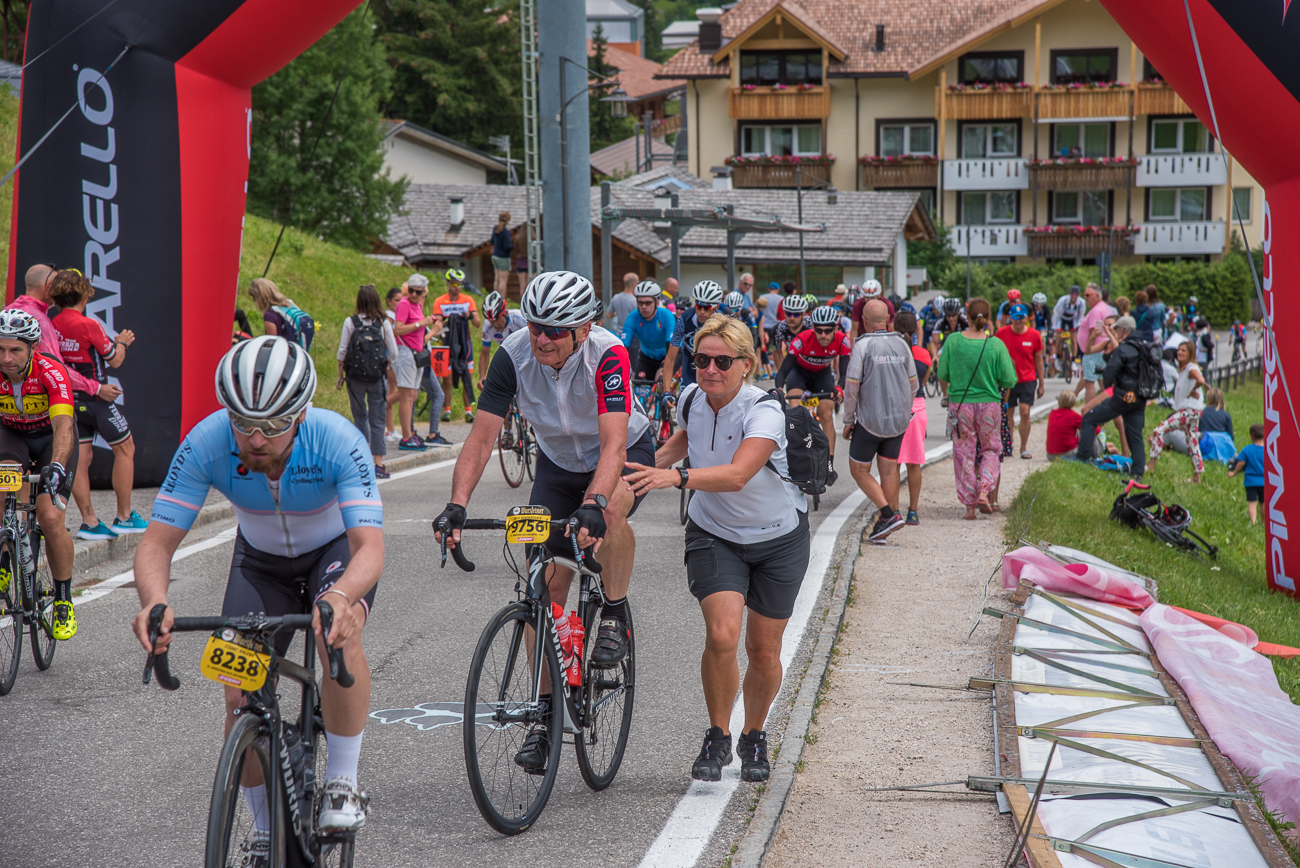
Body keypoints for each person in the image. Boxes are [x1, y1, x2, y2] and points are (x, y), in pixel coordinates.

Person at [132, 336, 382, 844]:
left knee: (338, 635)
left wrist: (342, 596)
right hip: (260, 564)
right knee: (238, 693)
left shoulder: (338, 439)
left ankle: (343, 782)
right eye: (243, 424)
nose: (256, 439)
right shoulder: (205, 441)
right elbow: (156, 544)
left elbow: (369, 548)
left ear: (302, 412)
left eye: (272, 426)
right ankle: (265, 831)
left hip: (333, 555)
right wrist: (154, 600)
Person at [434, 271, 652, 774]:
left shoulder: (608, 352)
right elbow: (482, 437)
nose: (543, 338)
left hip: (618, 451)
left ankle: (613, 611)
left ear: (585, 328)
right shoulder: (513, 354)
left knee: (611, 513)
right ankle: (546, 715)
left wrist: (596, 501)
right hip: (556, 463)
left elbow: (615, 444)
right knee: (544, 589)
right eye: (536, 326)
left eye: (556, 329)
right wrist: (457, 504)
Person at [623, 315, 809, 784]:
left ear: (745, 364)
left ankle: (754, 734)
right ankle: (718, 734)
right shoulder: (691, 398)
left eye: (722, 361)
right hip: (714, 533)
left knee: (763, 649)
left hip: (778, 537)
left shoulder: (763, 410)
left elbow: (739, 473)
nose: (709, 369)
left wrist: (677, 477)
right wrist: (636, 473)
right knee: (723, 635)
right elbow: (683, 440)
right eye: (701, 359)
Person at [0, 309, 79, 639]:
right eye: (0, 349)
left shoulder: (51, 371)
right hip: (12, 437)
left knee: (49, 516)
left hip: (51, 440)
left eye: (15, 350)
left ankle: (63, 600)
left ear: (33, 348)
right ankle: (5, 559)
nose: (6, 358)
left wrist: (58, 466)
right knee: (3, 491)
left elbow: (63, 425)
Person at [50, 269, 146, 538]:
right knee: (125, 449)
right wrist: (122, 342)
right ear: (84, 295)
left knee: (81, 460)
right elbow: (114, 359)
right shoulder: (88, 324)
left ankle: (90, 522)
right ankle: (124, 517)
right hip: (97, 399)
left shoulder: (52, 324)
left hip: (69, 400)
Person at [935, 297, 1017, 519]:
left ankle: (969, 507)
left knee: (964, 451)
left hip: (960, 405)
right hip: (989, 404)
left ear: (966, 317)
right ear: (989, 318)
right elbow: (1009, 379)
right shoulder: (996, 344)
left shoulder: (952, 341)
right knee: (991, 449)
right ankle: (984, 490)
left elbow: (942, 374)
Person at [843, 300, 917, 544]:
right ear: (888, 319)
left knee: (859, 470)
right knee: (889, 469)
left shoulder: (862, 345)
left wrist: (848, 419)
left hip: (870, 421)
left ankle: (888, 514)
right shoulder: (903, 345)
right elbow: (914, 385)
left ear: (863, 321)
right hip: (898, 421)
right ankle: (882, 527)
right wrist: (904, 411)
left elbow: (852, 387)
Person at [10, 264, 110, 401]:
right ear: (49, 285)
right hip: (27, 403)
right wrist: (96, 388)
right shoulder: (40, 321)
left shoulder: (7, 311)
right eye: (59, 286)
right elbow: (57, 370)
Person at [777, 306, 851, 485]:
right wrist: (779, 389)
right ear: (813, 328)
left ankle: (828, 466)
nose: (823, 335)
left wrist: (839, 389)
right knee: (795, 409)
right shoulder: (802, 339)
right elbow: (783, 371)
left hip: (822, 376)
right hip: (799, 374)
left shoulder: (843, 341)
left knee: (826, 414)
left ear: (835, 329)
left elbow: (845, 372)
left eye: (828, 331)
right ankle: (796, 457)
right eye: (819, 331)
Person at [337, 285, 401, 479]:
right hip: (376, 377)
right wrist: (384, 364)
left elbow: (342, 352)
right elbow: (394, 353)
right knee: (378, 419)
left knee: (360, 417)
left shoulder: (351, 322)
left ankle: (362, 461)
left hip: (355, 377)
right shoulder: (383, 323)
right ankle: (378, 464)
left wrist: (340, 376)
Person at [1075, 316, 1149, 480]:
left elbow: (1109, 374)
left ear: (1122, 330)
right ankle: (1137, 473)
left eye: (1115, 329)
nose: (1113, 331)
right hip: (1140, 396)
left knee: (1089, 418)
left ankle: (1081, 458)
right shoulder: (1143, 346)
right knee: (1135, 434)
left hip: (1125, 395)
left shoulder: (1123, 349)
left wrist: (1112, 383)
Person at [1147, 340, 1207, 483]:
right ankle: (1197, 477)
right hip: (1194, 411)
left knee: (1159, 431)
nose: (1179, 352)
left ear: (1190, 353)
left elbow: (1201, 380)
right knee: (1192, 442)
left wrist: (1192, 391)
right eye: (1179, 350)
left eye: (1183, 351)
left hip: (1189, 411)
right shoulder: (1184, 369)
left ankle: (1150, 465)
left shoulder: (1191, 368)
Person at [995, 303, 1045, 459]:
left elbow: (1038, 360)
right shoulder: (1001, 334)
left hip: (1028, 379)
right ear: (1010, 318)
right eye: (1015, 318)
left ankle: (1023, 447)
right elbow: (994, 356)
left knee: (1025, 412)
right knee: (1008, 413)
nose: (1017, 321)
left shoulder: (1034, 335)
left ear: (1026, 319)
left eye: (1021, 318)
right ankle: (1008, 444)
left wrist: (1042, 383)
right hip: (1007, 380)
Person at [894, 311, 930, 526]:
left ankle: (893, 509)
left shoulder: (888, 353)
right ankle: (913, 511)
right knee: (913, 464)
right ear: (916, 329)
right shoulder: (923, 354)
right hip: (918, 406)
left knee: (892, 464)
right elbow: (922, 383)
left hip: (894, 407)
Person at [431, 269, 481, 423]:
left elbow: (478, 323)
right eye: (454, 284)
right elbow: (437, 324)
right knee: (447, 379)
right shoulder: (440, 301)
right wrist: (446, 319)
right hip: (447, 344)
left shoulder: (468, 300)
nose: (457, 287)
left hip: (465, 345)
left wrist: (469, 315)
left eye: (460, 284)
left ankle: (468, 411)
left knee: (467, 377)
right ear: (447, 283)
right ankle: (447, 411)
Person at [663, 280, 724, 394]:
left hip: (714, 365)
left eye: (707, 308)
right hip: (690, 364)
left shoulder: (723, 322)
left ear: (716, 307)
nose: (701, 312)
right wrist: (666, 392)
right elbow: (670, 359)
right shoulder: (685, 319)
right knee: (687, 400)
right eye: (698, 306)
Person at [622, 280, 676, 381]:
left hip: (668, 355)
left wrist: (664, 369)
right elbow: (624, 347)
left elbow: (671, 347)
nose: (643, 307)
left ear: (657, 302)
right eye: (640, 303)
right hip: (647, 356)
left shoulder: (666, 316)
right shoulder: (633, 317)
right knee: (639, 384)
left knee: (661, 381)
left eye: (648, 302)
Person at [477, 290, 527, 393]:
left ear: (505, 312)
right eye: (491, 321)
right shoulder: (487, 326)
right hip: (510, 358)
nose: (495, 324)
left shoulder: (520, 318)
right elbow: (484, 354)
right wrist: (482, 377)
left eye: (497, 319)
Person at [1076, 284, 1113, 403]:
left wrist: (1089, 348)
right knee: (1102, 383)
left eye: (1088, 295)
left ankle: (1089, 412)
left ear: (1097, 296)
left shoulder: (1096, 311)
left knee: (1089, 383)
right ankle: (1105, 409)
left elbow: (1095, 332)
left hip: (1094, 351)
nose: (1085, 298)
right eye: (1084, 295)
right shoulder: (1104, 307)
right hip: (1102, 349)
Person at [1228, 424, 1266, 524]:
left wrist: (1234, 473)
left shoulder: (1247, 449)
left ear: (1250, 437)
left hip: (1250, 482)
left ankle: (1253, 523)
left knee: (1252, 503)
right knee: (1263, 503)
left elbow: (1240, 463)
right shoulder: (1268, 450)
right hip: (1265, 482)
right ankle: (1263, 522)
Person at [383, 287, 403, 443]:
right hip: (390, 358)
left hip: (391, 358)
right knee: (397, 391)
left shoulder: (394, 315)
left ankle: (390, 429)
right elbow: (385, 335)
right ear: (388, 301)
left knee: (392, 390)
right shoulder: (389, 316)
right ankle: (389, 428)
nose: (400, 303)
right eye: (397, 300)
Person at [769, 295, 809, 369]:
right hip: (794, 360)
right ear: (784, 313)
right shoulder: (778, 329)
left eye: (796, 314)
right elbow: (777, 353)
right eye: (788, 314)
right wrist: (783, 375)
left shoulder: (811, 326)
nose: (792, 318)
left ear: (803, 315)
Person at [1046, 390, 1082, 460]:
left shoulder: (1052, 413)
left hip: (1050, 455)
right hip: (1068, 454)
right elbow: (1093, 429)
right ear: (1073, 403)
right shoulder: (1074, 416)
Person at [605, 272, 639, 336]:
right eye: (637, 283)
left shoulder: (616, 297)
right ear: (633, 284)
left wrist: (616, 313)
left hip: (619, 334)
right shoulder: (635, 301)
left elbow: (607, 315)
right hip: (632, 335)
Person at [491, 211, 514, 298]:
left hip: (495, 255)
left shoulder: (495, 229)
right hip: (503, 257)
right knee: (503, 281)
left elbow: (492, 241)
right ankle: (502, 300)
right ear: (507, 220)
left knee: (496, 279)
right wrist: (513, 246)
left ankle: (495, 298)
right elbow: (506, 246)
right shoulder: (506, 232)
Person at [759, 281, 784, 348]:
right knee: (778, 348)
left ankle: (766, 358)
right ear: (778, 290)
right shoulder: (781, 299)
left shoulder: (762, 297)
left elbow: (759, 311)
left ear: (769, 289)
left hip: (765, 326)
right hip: (777, 326)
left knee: (765, 348)